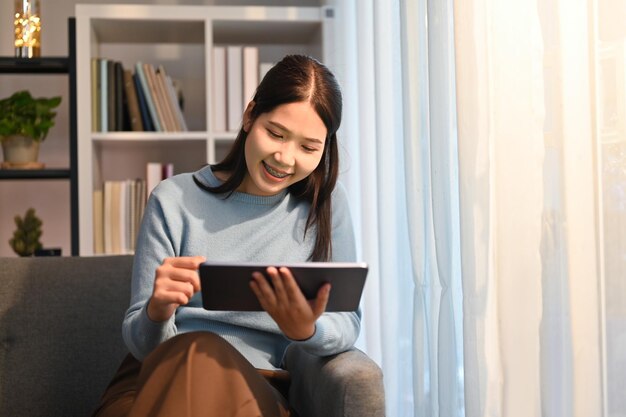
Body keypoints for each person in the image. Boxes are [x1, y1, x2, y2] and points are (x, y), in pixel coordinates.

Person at [92, 54, 360, 417]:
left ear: (324, 148)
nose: (285, 157)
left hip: (258, 388)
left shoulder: (325, 206)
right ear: (250, 116)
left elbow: (348, 322)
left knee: (203, 355)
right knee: (196, 351)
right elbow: (141, 344)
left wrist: (307, 329)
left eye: (308, 147)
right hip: (153, 377)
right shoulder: (172, 200)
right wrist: (156, 312)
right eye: (275, 134)